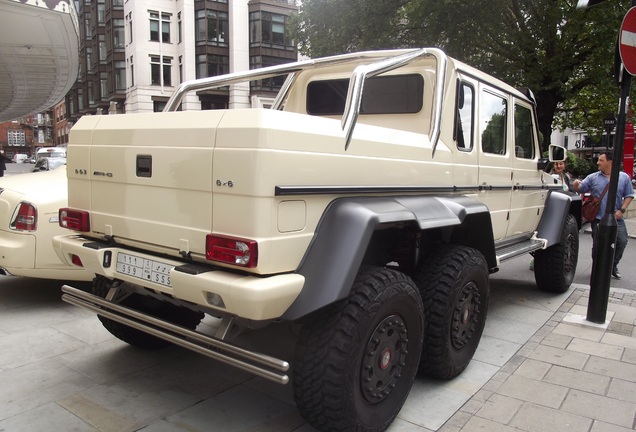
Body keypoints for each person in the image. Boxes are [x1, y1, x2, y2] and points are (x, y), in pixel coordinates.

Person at [573, 150, 634, 279]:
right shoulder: (593, 177)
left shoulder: (623, 177)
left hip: (617, 218)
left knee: (622, 242)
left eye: (601, 160)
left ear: (610, 162)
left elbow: (629, 195)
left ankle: (613, 265)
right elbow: (581, 188)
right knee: (598, 246)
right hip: (598, 219)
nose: (597, 163)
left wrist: (621, 211)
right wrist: (577, 185)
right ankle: (597, 268)